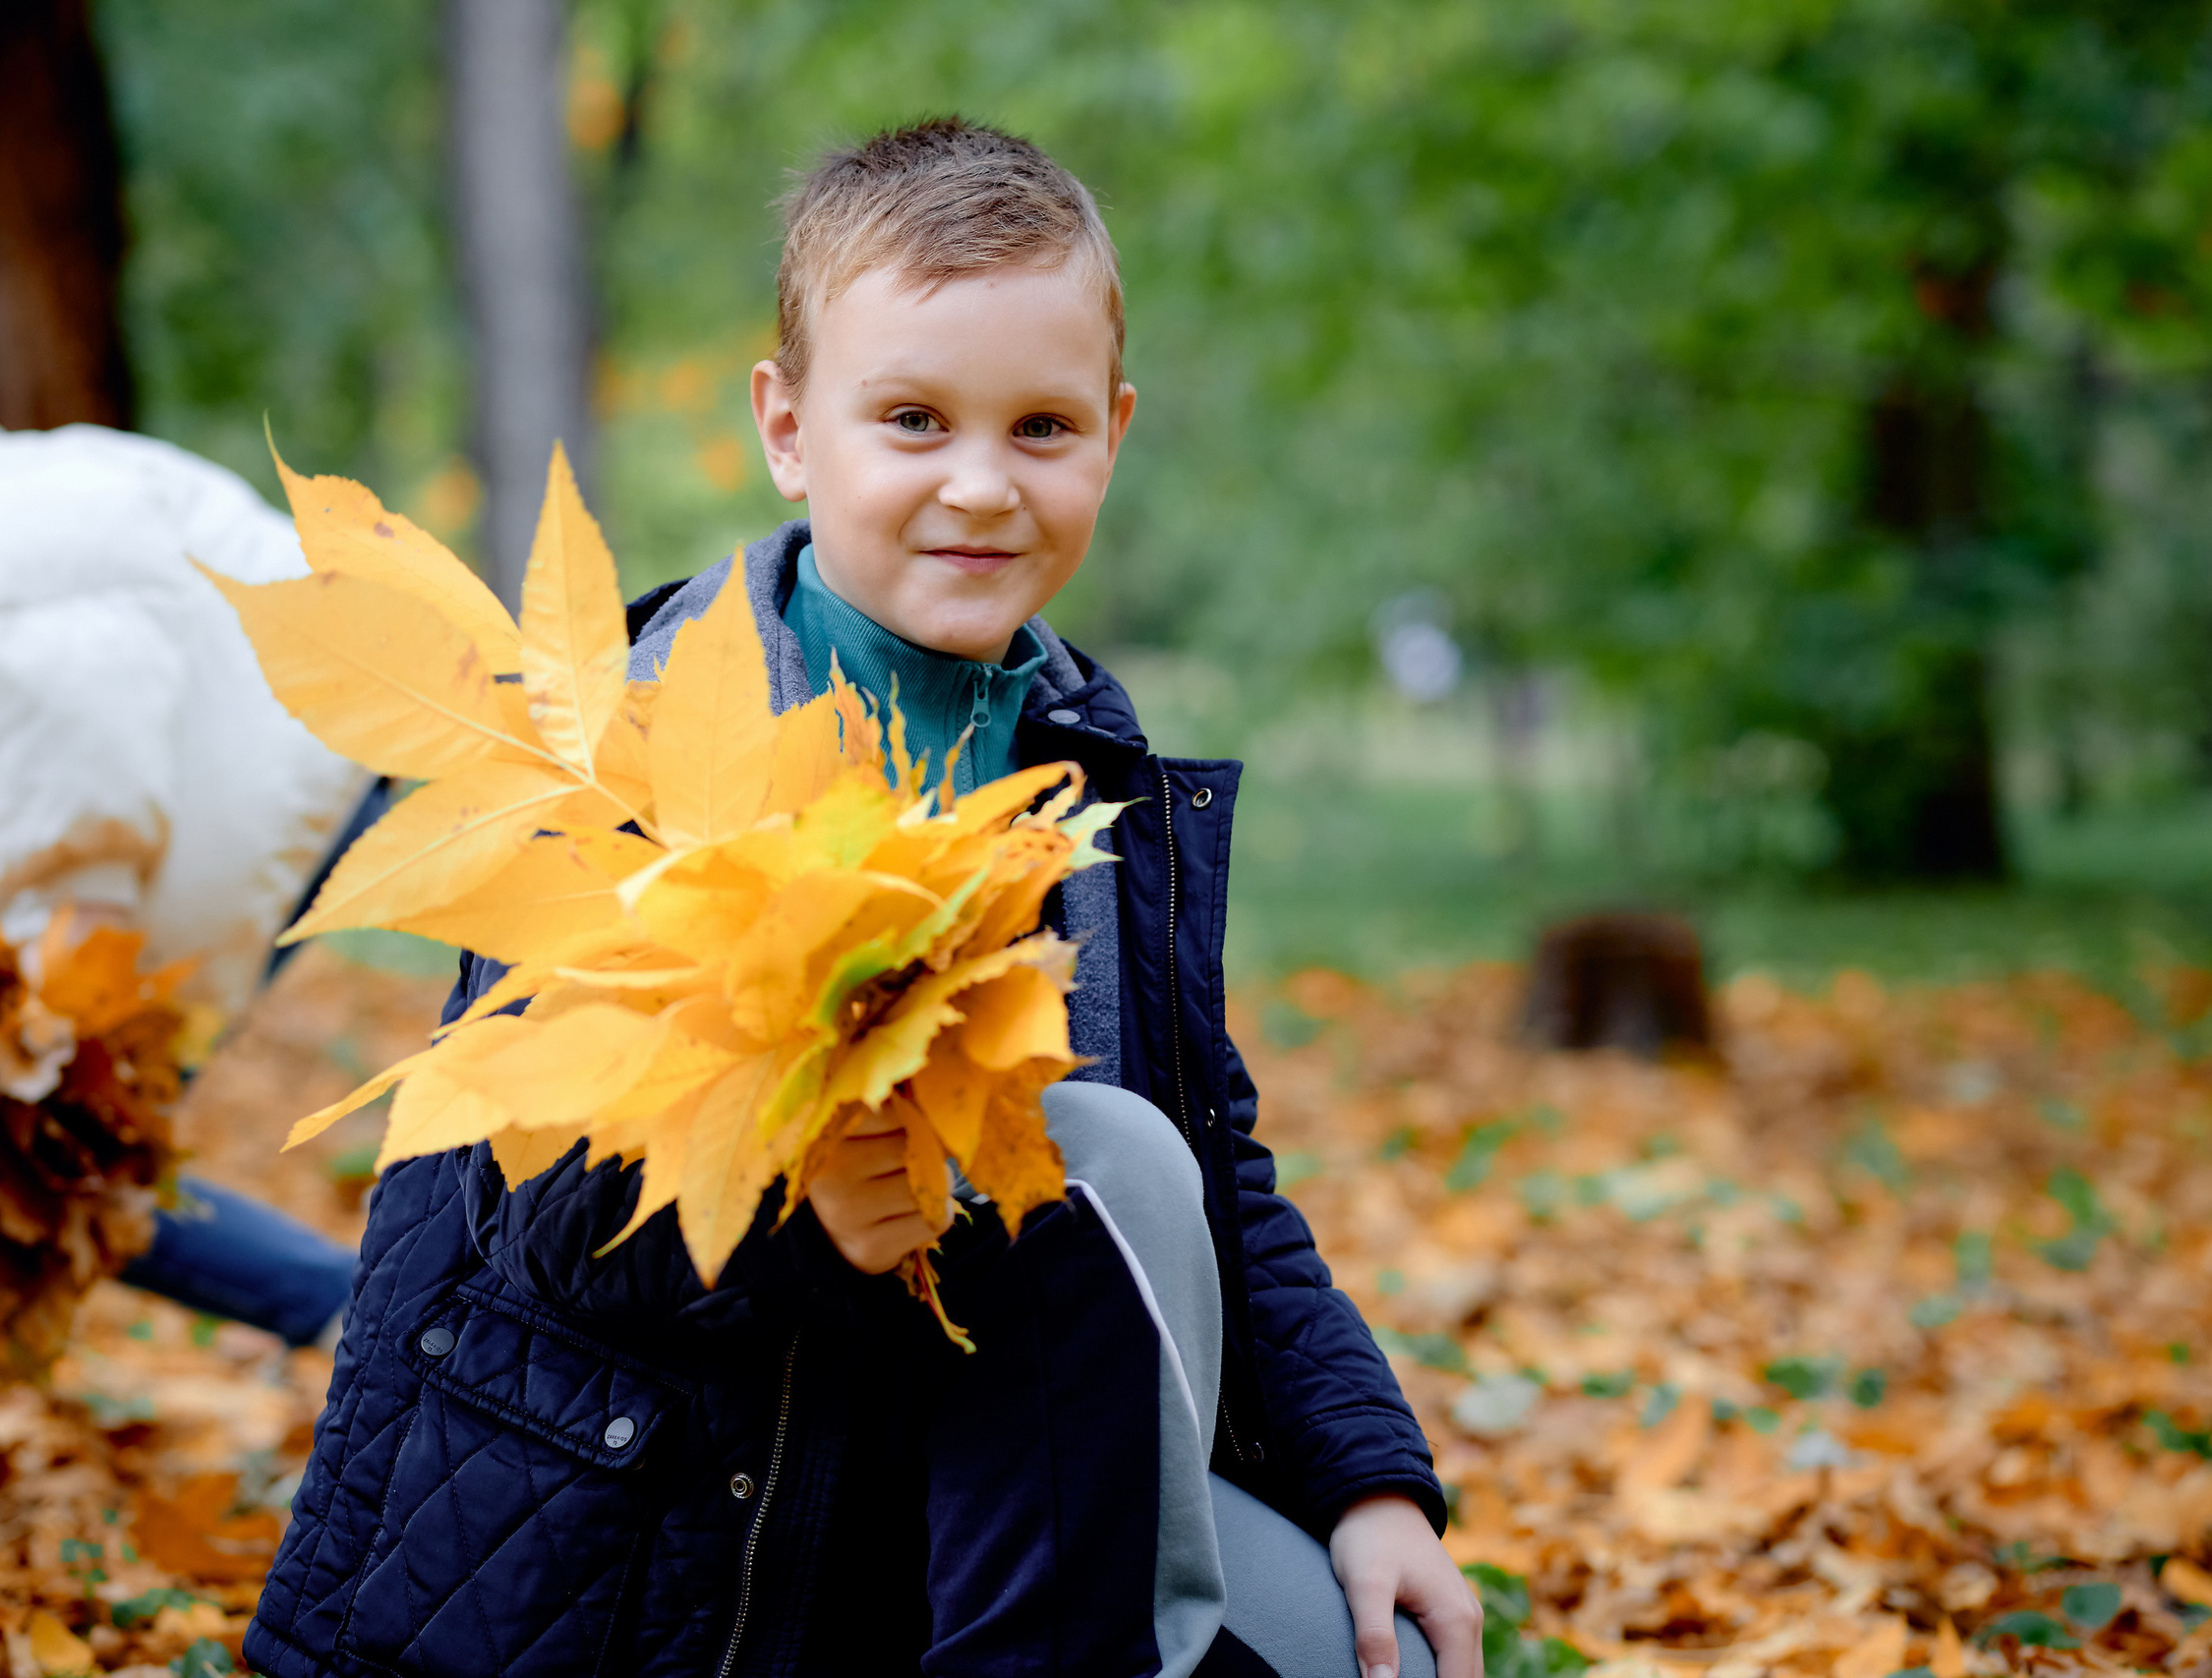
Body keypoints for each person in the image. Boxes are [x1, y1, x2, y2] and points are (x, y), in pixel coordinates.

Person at [246, 120, 1484, 1678]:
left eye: (1041, 428)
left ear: (1112, 430)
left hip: (984, 1462)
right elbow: (535, 1221)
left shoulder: (1082, 764)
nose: (981, 484)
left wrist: (1367, 1478)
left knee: (1375, 1638)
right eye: (911, 418)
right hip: (684, 1519)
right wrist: (795, 1224)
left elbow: (1220, 1173)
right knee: (1091, 1147)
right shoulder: (644, 735)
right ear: (787, 425)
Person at [0, 398, 372, 1347]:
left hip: (226, 803)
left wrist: (81, 905)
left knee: (45, 1154)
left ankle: (374, 1325)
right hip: (299, 765)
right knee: (57, 1159)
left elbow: (59, 664)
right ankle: (371, 1323)